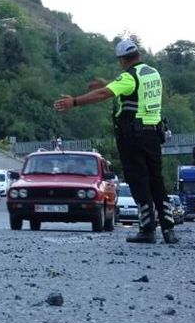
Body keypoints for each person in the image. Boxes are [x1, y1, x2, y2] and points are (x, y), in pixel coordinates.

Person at [53, 39, 179, 244]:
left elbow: (105, 94)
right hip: (154, 135)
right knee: (156, 181)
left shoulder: (129, 77)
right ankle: (169, 229)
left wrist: (74, 102)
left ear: (122, 59)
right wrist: (108, 84)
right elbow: (132, 93)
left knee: (139, 181)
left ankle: (147, 229)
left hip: (133, 137)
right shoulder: (153, 73)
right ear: (138, 55)